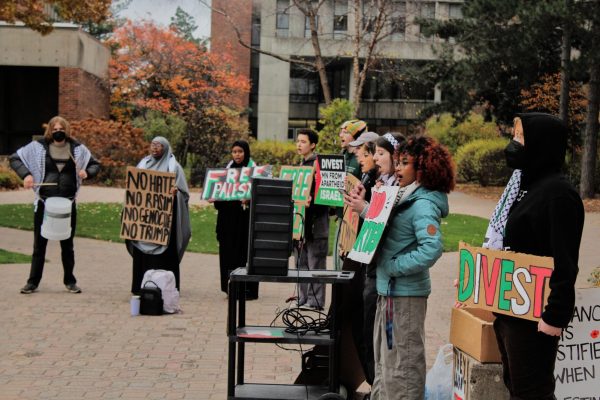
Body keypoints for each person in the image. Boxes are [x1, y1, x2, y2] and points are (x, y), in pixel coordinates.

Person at [493, 113, 584, 399]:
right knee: (517, 389)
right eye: (514, 135)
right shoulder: (524, 187)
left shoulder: (559, 194)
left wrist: (555, 315)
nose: (514, 143)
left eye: (521, 137)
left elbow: (565, 262)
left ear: (541, 143)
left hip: (535, 319)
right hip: (511, 311)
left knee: (533, 393)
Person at [371, 135, 455, 399]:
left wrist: (394, 266)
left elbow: (432, 247)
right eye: (398, 162)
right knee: (386, 365)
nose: (397, 168)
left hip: (404, 296)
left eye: (404, 163)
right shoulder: (405, 194)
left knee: (402, 368)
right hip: (390, 292)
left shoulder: (423, 203)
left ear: (422, 168)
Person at [9, 116, 100, 294]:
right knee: (39, 244)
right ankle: (32, 282)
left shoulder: (77, 149)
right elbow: (15, 158)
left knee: (67, 244)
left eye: (62, 129)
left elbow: (95, 164)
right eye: (55, 129)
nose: (58, 132)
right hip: (45, 203)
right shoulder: (38, 147)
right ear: (50, 130)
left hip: (68, 203)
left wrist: (86, 172)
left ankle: (70, 281)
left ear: (67, 130)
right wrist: (26, 175)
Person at [127, 136, 191, 294]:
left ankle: (165, 287)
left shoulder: (174, 168)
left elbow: (184, 194)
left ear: (165, 148)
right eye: (152, 144)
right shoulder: (143, 165)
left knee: (164, 257)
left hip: (164, 225)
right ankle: (140, 286)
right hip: (145, 223)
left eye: (159, 145)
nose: (154, 148)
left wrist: (176, 193)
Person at [213, 140, 259, 299]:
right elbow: (219, 198)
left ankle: (247, 289)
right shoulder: (227, 171)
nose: (237, 155)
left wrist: (249, 199)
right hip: (228, 222)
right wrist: (214, 197)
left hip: (245, 223)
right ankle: (230, 287)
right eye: (234, 152)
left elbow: (261, 194)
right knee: (228, 254)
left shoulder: (254, 170)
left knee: (244, 255)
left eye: (240, 151)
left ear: (246, 152)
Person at [294, 129, 329, 310]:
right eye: (298, 141)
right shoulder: (300, 165)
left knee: (316, 262)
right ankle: (303, 298)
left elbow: (328, 197)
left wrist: (312, 203)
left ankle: (315, 302)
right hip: (300, 224)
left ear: (313, 145)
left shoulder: (320, 166)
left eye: (303, 141)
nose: (299, 145)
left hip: (316, 223)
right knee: (301, 261)